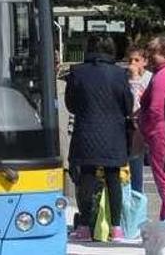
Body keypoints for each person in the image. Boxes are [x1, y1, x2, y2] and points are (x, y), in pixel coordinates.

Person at [65, 35, 133, 242]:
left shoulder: (77, 72)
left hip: (86, 130)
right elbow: (128, 105)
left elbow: (71, 104)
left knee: (86, 177)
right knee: (113, 178)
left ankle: (85, 226)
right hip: (113, 133)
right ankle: (116, 228)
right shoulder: (119, 74)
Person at [138, 35, 165, 221]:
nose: (149, 58)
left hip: (161, 133)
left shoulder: (163, 75)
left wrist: (146, 130)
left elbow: (156, 109)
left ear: (164, 52)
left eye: (152, 53)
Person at [125, 46, 152, 194]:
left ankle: (137, 195)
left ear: (145, 62)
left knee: (138, 163)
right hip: (128, 126)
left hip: (144, 126)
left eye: (137, 60)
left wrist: (135, 79)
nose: (133, 63)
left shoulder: (150, 79)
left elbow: (138, 103)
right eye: (130, 60)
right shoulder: (125, 77)